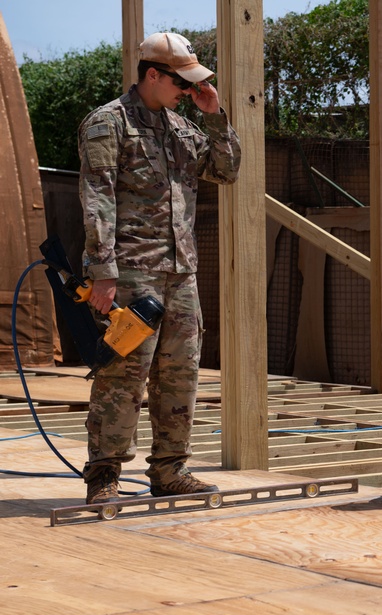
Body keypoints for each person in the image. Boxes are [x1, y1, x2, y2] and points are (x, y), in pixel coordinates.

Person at [78, 32, 241, 504]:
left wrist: (214, 116)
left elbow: (226, 171)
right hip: (129, 273)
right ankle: (104, 474)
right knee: (123, 374)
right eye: (182, 82)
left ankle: (170, 470)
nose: (188, 90)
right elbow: (97, 198)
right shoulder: (108, 124)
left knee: (180, 373)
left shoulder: (182, 128)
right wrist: (102, 270)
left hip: (181, 274)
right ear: (153, 75)